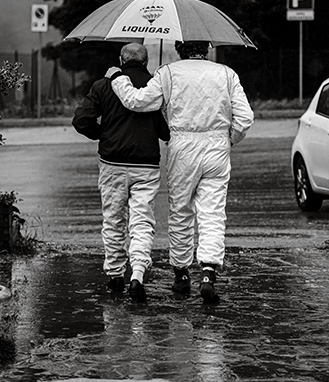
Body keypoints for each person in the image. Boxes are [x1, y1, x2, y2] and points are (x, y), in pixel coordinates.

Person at [105, 41, 254, 304]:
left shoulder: (168, 72)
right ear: (206, 49)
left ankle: (182, 274)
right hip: (217, 146)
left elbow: (137, 101)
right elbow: (245, 117)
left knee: (181, 210)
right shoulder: (226, 73)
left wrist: (118, 78)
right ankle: (208, 273)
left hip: (182, 146)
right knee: (213, 212)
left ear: (179, 47)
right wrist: (229, 139)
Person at [72, 43, 170, 303]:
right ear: (146, 61)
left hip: (112, 162)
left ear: (121, 60)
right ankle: (137, 273)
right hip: (146, 165)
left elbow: (81, 120)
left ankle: (115, 274)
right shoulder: (155, 86)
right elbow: (166, 132)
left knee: (113, 219)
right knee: (142, 221)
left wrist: (103, 134)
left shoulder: (103, 86)